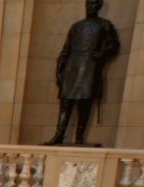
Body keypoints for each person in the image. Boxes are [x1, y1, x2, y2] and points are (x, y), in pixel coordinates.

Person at [45, 0, 119, 145]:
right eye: (88, 4)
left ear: (98, 6)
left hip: (89, 67)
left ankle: (79, 137)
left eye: (93, 4)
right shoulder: (76, 26)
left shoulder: (104, 24)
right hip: (71, 68)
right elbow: (66, 50)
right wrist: (59, 71)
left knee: (85, 104)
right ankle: (59, 135)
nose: (90, 6)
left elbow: (114, 44)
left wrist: (102, 53)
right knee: (66, 104)